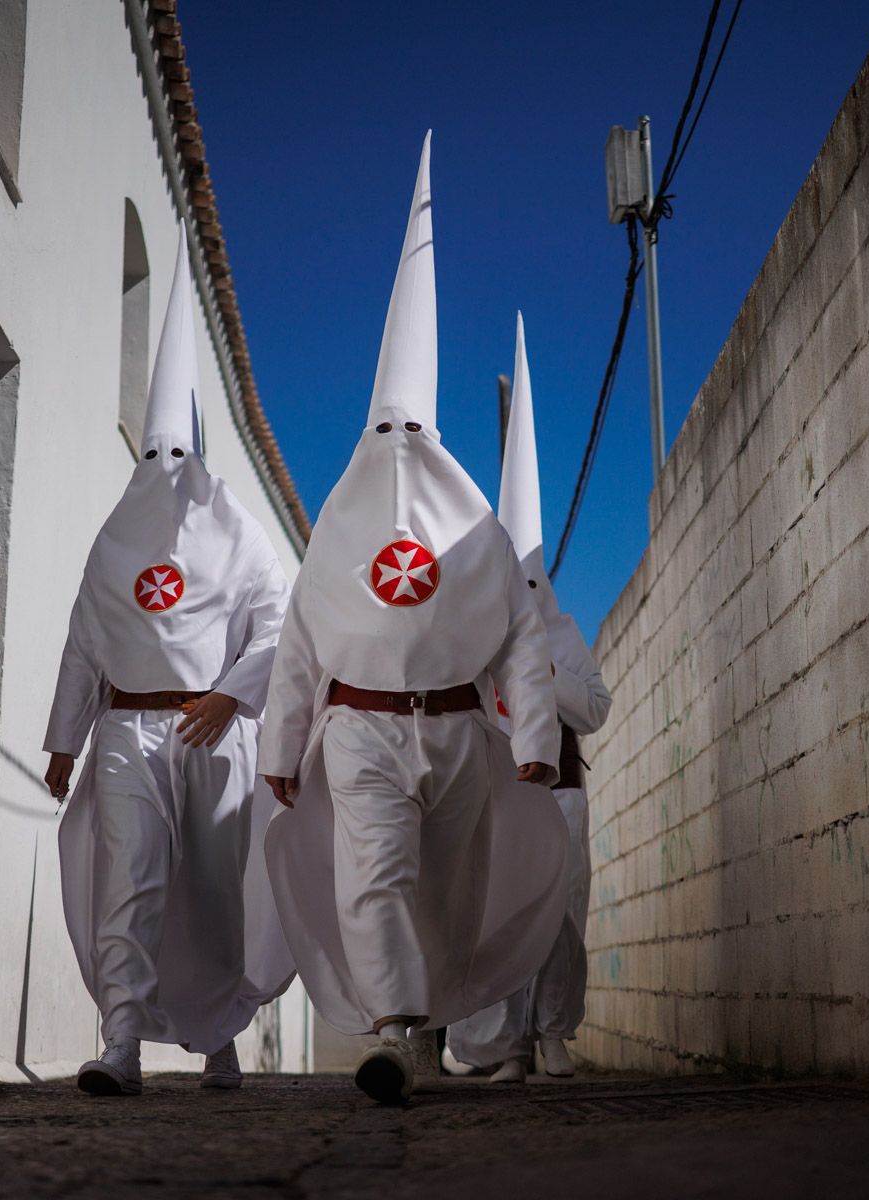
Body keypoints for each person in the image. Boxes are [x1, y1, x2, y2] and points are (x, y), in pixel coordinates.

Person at [257, 133, 570, 1105]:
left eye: (413, 432)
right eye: (384, 431)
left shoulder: (475, 535)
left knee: (445, 891)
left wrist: (537, 732)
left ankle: (425, 1010)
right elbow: (301, 649)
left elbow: (517, 631)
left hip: (459, 735)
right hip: (359, 731)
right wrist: (283, 740)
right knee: (377, 875)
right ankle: (394, 1029)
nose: (398, 449)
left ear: (431, 436)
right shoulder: (334, 542)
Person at [44, 225, 292, 1097]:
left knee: (214, 894)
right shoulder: (115, 538)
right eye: (153, 451)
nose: (163, 464)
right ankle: (120, 1044)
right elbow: (84, 638)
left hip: (211, 732)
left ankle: (220, 1035)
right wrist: (64, 740)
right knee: (132, 884)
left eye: (174, 451)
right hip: (125, 730)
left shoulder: (243, 536)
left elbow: (276, 627)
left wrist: (233, 696)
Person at [446, 315, 613, 1082]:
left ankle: (552, 1034)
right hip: (496, 795)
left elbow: (595, 706)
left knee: (560, 922)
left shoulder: (562, 632)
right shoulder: (475, 633)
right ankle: (500, 1044)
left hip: (561, 793)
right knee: (500, 915)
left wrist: (537, 671)